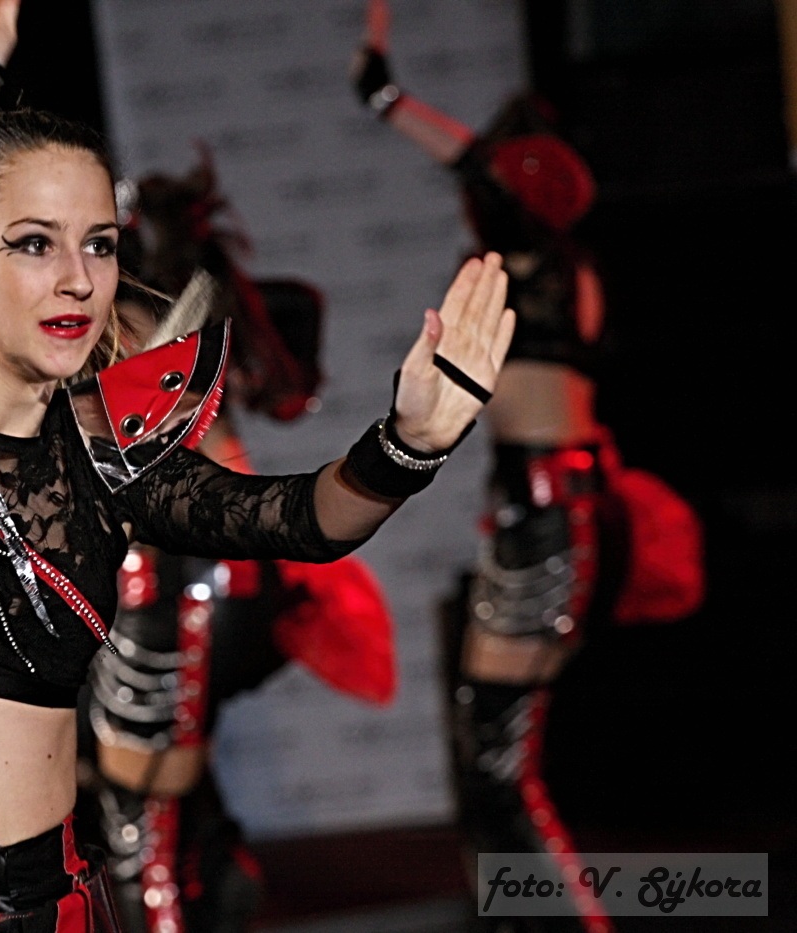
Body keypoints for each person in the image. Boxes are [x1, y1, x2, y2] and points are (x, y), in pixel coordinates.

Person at [0, 2, 512, 931]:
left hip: (63, 907)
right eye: (33, 243)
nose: (78, 278)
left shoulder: (104, 457)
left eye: (98, 243)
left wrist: (410, 441)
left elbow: (300, 520)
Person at [349, 3, 704, 932]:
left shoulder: (528, 263)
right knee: (497, 752)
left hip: (546, 516)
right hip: (573, 508)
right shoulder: (577, 275)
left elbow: (473, 165)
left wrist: (385, 89)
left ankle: (573, 920)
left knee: (496, 765)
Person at [75, 153, 398, 933]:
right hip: (221, 574)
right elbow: (287, 395)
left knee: (140, 827)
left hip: (172, 579)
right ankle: (217, 872)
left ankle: (207, 880)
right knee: (162, 806)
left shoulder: (129, 326)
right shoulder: (201, 316)